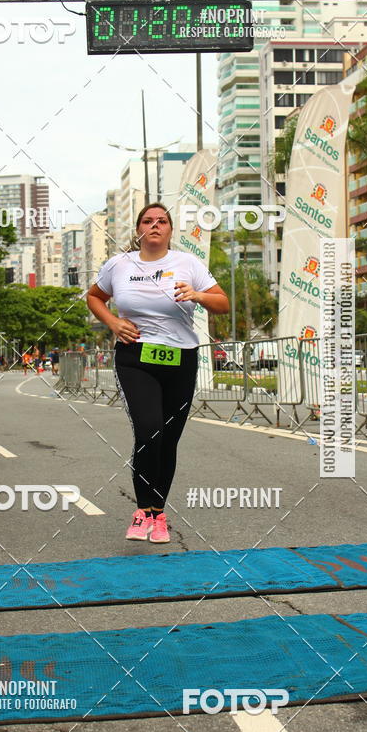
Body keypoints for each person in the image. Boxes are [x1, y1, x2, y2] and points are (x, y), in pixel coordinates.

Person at [87, 203, 229, 543]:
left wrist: (198, 294)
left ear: (169, 230)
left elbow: (222, 302)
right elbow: (94, 297)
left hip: (181, 359)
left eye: (162, 221)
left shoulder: (187, 263)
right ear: (138, 229)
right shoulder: (119, 264)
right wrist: (113, 322)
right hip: (135, 357)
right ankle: (142, 511)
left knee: (169, 438)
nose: (155, 225)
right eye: (148, 221)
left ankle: (158, 513)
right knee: (149, 429)